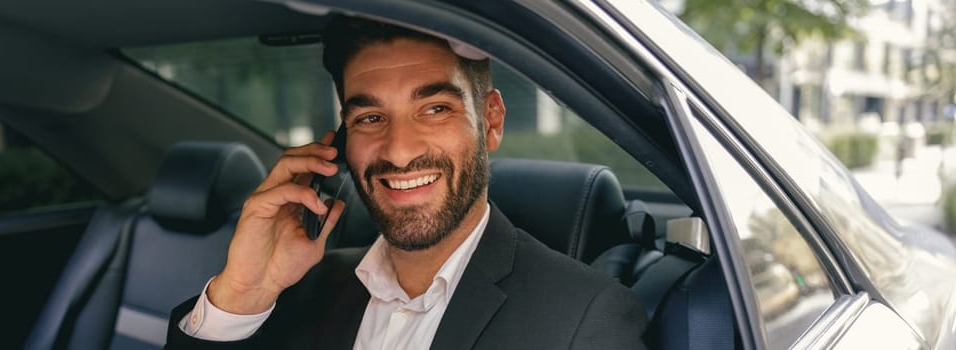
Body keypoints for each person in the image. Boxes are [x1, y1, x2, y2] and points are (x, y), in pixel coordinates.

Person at [165, 16, 647, 349]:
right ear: (341, 140)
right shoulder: (302, 291)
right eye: (371, 117)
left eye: (435, 109)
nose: (398, 151)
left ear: (491, 121)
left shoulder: (585, 317)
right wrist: (243, 293)